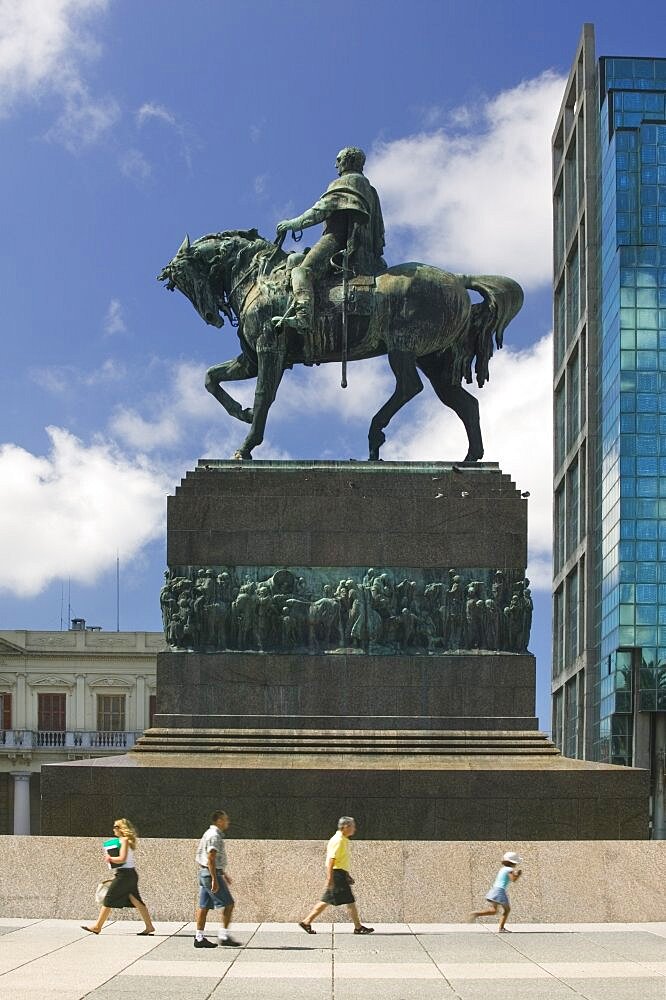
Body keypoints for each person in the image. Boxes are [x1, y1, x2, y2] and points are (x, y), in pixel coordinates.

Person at [275, 147, 387, 341]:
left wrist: (291, 224)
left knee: (301, 271)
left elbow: (320, 211)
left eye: (338, 159)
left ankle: (303, 317)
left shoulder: (346, 181)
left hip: (336, 240)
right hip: (358, 247)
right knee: (295, 259)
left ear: (348, 161)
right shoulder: (369, 188)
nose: (336, 164)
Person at [299, 816, 373, 935]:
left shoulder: (343, 839)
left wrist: (346, 874)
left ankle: (307, 922)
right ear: (346, 827)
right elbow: (331, 860)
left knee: (328, 900)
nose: (354, 829)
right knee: (347, 901)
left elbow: (340, 860)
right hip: (337, 875)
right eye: (353, 826)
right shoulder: (338, 840)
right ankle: (358, 927)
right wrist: (330, 878)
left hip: (340, 874)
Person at [82, 818, 155, 935]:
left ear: (121, 829)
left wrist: (110, 858)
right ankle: (149, 926)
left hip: (125, 875)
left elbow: (122, 858)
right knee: (136, 901)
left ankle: (97, 926)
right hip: (129, 874)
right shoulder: (122, 841)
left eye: (115, 827)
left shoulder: (124, 840)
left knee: (109, 898)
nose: (113, 829)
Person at [194, 809, 240, 948]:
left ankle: (199, 938)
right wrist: (215, 878)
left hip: (205, 873)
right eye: (226, 819)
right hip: (210, 874)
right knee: (229, 904)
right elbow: (211, 858)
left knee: (204, 906)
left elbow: (212, 859)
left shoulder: (209, 833)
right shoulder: (214, 836)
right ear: (219, 821)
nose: (228, 822)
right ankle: (223, 935)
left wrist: (223, 873)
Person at [470, 851, 523, 932]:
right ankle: (501, 928)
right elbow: (513, 879)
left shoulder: (503, 869)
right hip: (500, 891)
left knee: (494, 911)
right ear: (513, 862)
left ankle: (476, 913)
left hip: (494, 889)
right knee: (507, 910)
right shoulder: (510, 869)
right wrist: (518, 874)